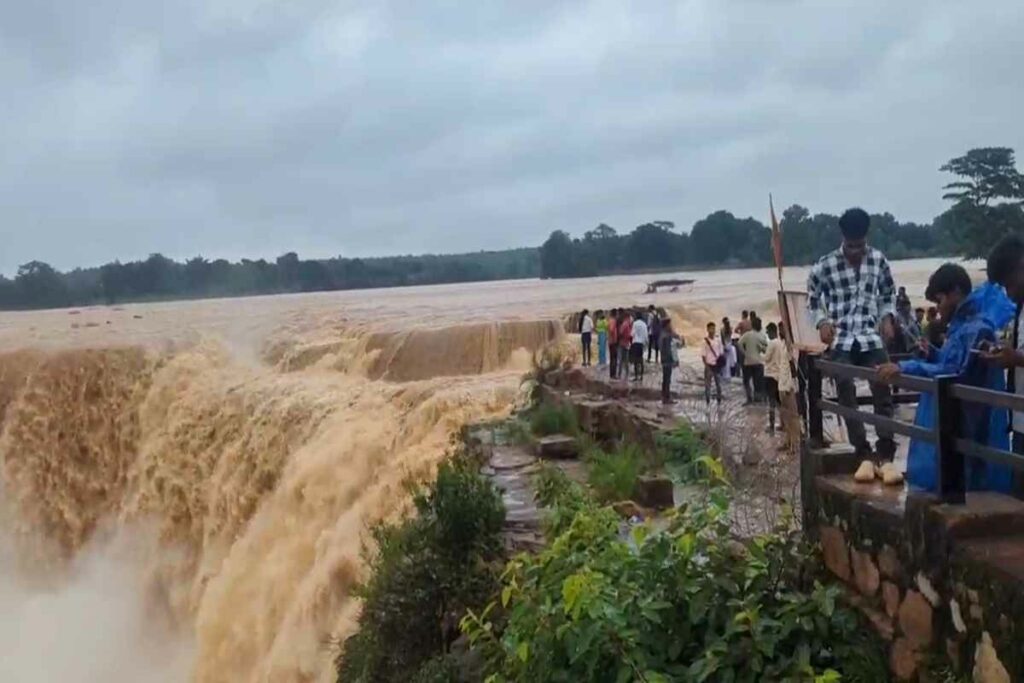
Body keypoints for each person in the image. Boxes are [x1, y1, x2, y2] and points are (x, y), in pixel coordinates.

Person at [878, 263, 1015, 494]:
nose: (938, 309)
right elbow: (951, 361)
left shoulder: (978, 328)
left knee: (969, 466)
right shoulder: (963, 326)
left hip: (971, 413)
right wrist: (931, 352)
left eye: (939, 301)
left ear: (956, 293)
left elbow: (956, 371)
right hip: (961, 410)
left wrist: (907, 366)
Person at [807, 207, 898, 462]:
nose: (856, 252)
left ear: (865, 238)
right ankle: (861, 448)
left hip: (870, 335)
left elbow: (888, 294)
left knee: (883, 383)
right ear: (843, 239)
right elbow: (812, 299)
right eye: (851, 246)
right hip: (842, 337)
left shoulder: (878, 260)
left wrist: (887, 317)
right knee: (845, 388)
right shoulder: (825, 265)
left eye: (860, 246)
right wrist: (822, 321)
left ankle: (886, 445)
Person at [977, 235, 1024, 482]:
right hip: (1019, 421)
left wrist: (1015, 357)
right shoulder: (1019, 310)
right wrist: (1002, 351)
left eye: (1010, 284)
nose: (1009, 293)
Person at [763, 322, 792, 434]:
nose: (768, 334)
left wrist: (759, 354)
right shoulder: (781, 343)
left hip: (770, 375)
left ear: (771, 331)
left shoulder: (771, 343)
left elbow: (766, 358)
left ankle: (771, 426)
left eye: (768, 332)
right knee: (780, 402)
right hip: (778, 376)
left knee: (771, 402)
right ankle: (783, 424)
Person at [739, 317, 768, 404]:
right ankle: (758, 399)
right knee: (758, 381)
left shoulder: (747, 335)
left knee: (746, 381)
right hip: (759, 362)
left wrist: (744, 353)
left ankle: (749, 399)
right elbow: (766, 349)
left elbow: (739, 343)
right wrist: (761, 349)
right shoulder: (762, 335)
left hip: (748, 362)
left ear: (752, 325)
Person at [702, 321, 724, 404]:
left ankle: (719, 399)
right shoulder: (705, 342)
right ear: (707, 329)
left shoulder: (718, 340)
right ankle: (707, 400)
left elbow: (721, 353)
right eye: (711, 328)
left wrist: (721, 364)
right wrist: (706, 365)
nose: (712, 330)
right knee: (708, 385)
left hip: (717, 366)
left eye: (713, 328)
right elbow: (703, 355)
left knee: (719, 384)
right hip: (709, 365)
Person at [659, 318, 678, 404]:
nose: (671, 326)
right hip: (667, 360)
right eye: (670, 324)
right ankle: (667, 398)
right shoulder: (667, 336)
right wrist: (673, 360)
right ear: (666, 325)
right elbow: (669, 350)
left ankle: (664, 397)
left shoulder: (663, 334)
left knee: (665, 379)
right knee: (667, 380)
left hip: (664, 359)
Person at [631, 312, 649, 382]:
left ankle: (636, 376)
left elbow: (632, 333)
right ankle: (641, 376)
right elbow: (646, 335)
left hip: (635, 343)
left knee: (635, 360)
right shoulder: (644, 324)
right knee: (641, 360)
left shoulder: (635, 323)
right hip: (641, 343)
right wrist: (646, 343)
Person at [617, 310, 633, 380]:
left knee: (620, 359)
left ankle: (619, 374)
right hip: (627, 343)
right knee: (626, 359)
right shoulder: (630, 324)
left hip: (622, 343)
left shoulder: (625, 324)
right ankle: (627, 373)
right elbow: (631, 335)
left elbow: (620, 332)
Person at [608, 308, 619, 378]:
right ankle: (613, 374)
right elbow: (612, 329)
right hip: (613, 341)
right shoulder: (613, 321)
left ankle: (612, 373)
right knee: (614, 358)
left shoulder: (609, 320)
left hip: (610, 341)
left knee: (612, 358)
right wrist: (614, 337)